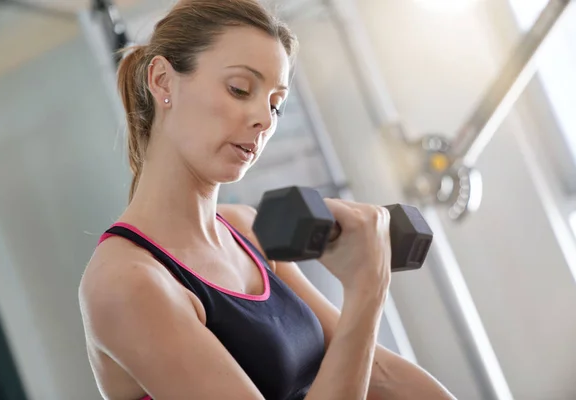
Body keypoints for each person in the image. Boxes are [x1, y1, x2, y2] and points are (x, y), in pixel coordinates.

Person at [78, 0, 457, 399]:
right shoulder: (125, 283)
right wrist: (367, 292)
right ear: (162, 81)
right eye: (240, 89)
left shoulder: (246, 230)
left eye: (275, 104)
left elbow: (379, 372)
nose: (264, 118)